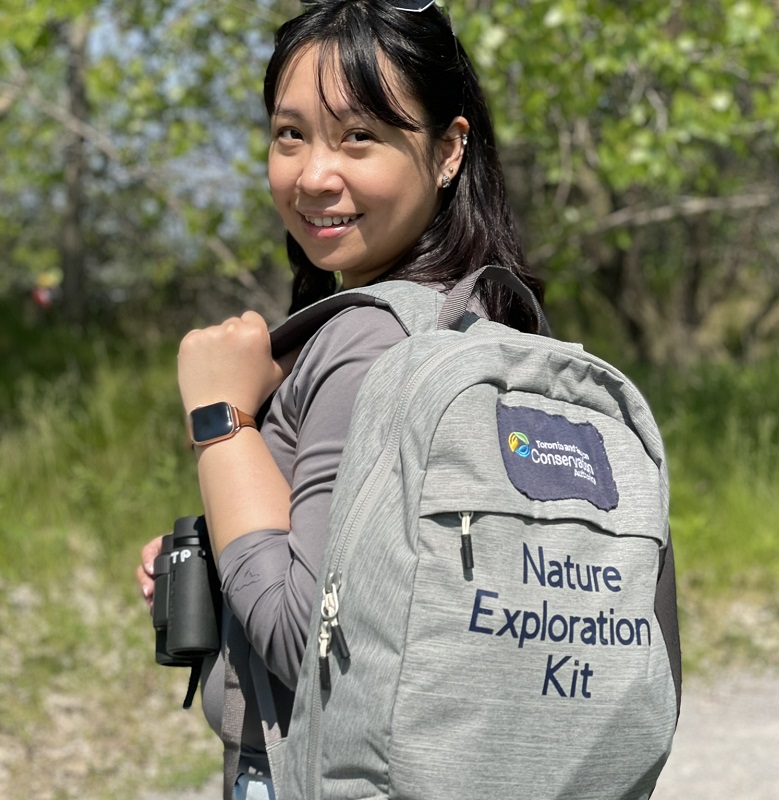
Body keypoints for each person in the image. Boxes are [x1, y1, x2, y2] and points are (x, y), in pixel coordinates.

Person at [137, 0, 545, 796]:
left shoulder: (367, 343)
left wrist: (221, 422)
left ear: (448, 149)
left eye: (359, 136)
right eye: (290, 134)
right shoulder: (490, 323)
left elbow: (299, 639)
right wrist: (231, 544)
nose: (313, 174)